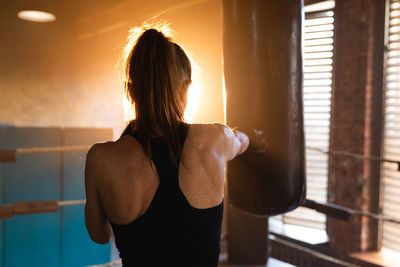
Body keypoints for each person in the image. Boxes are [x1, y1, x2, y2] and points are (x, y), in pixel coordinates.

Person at [84, 27, 249, 267]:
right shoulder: (215, 138)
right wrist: (250, 136)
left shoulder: (100, 158)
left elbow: (99, 236)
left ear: (131, 92)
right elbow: (242, 141)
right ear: (186, 89)